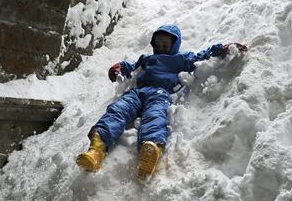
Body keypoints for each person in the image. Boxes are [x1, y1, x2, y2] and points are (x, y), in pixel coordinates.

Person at [76, 24, 248, 181]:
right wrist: (119, 67)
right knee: (117, 110)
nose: (161, 48)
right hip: (137, 92)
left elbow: (203, 55)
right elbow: (132, 67)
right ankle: (96, 149)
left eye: (165, 45)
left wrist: (223, 49)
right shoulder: (147, 58)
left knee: (155, 115)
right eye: (158, 45)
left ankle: (151, 151)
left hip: (160, 93)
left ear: (174, 45)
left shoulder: (182, 58)